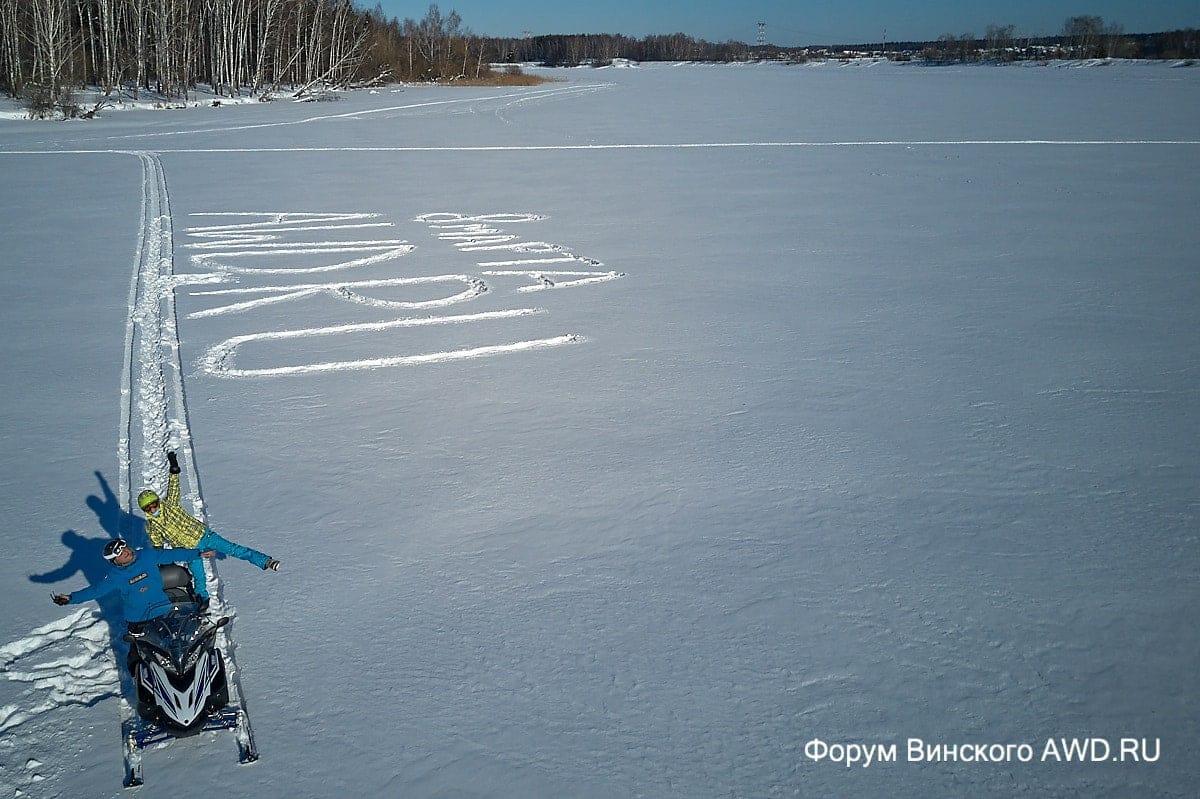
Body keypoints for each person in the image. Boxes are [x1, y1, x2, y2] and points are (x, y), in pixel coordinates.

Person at [138, 451, 279, 612]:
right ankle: (202, 600)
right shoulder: (152, 526)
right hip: (190, 550)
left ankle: (265, 561)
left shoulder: (170, 505)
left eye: (153, 504)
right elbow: (158, 545)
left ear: (157, 501)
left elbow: (174, 486)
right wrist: (161, 562)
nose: (152, 509)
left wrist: (174, 466)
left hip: (205, 537)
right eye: (148, 508)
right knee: (199, 575)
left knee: (234, 549)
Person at [51, 538, 210, 633]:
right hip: (138, 620)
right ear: (115, 561)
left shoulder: (147, 555)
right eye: (119, 553)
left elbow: (172, 554)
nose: (125, 551)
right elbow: (95, 590)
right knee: (138, 659)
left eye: (124, 547)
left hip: (164, 610)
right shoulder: (115, 576)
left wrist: (196, 554)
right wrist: (71, 598)